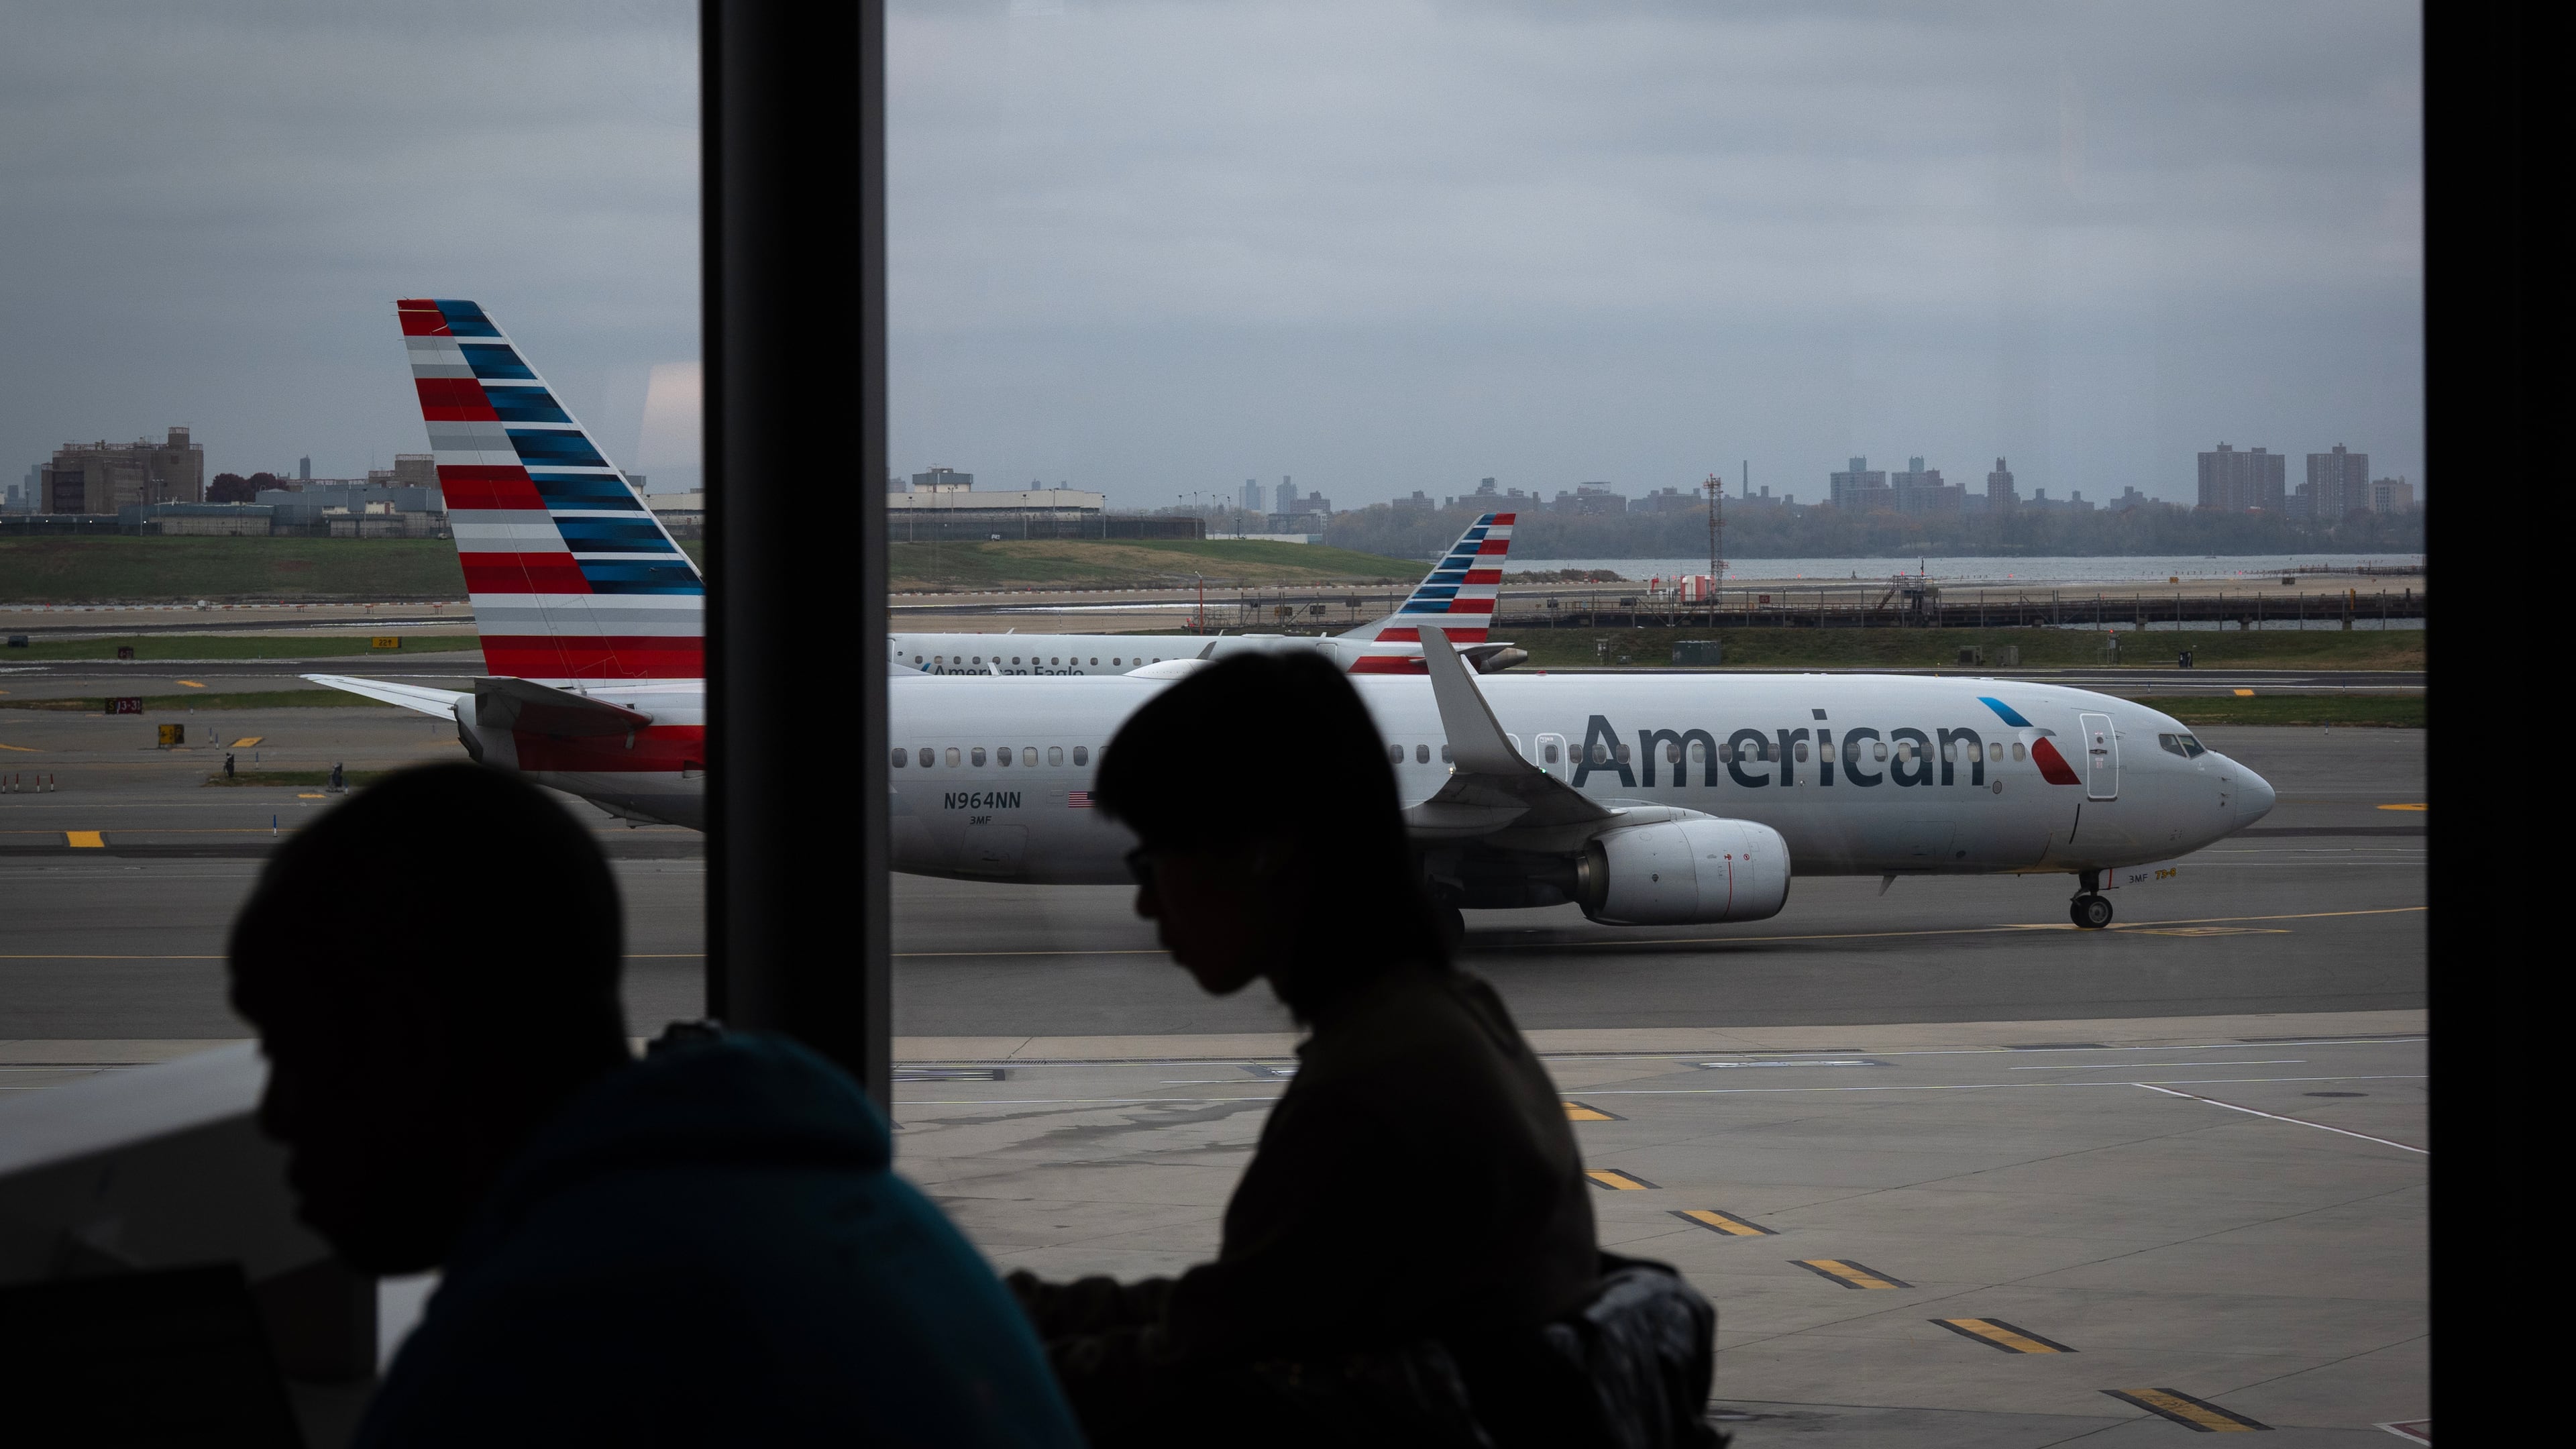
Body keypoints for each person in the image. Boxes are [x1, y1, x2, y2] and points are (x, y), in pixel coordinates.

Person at [227, 763, 1080, 1448]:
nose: (275, 1116)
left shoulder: (552, 1328)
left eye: (296, 1052)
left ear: (409, 1037)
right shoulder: (843, 1209)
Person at [1009, 653, 1717, 1448]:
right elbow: (1239, 1311)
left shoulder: (1371, 1097)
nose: (1143, 899)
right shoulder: (1444, 1022)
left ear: (1265, 852)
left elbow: (1197, 1363)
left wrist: (973, 1347)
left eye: (1156, 858)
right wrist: (1000, 1308)